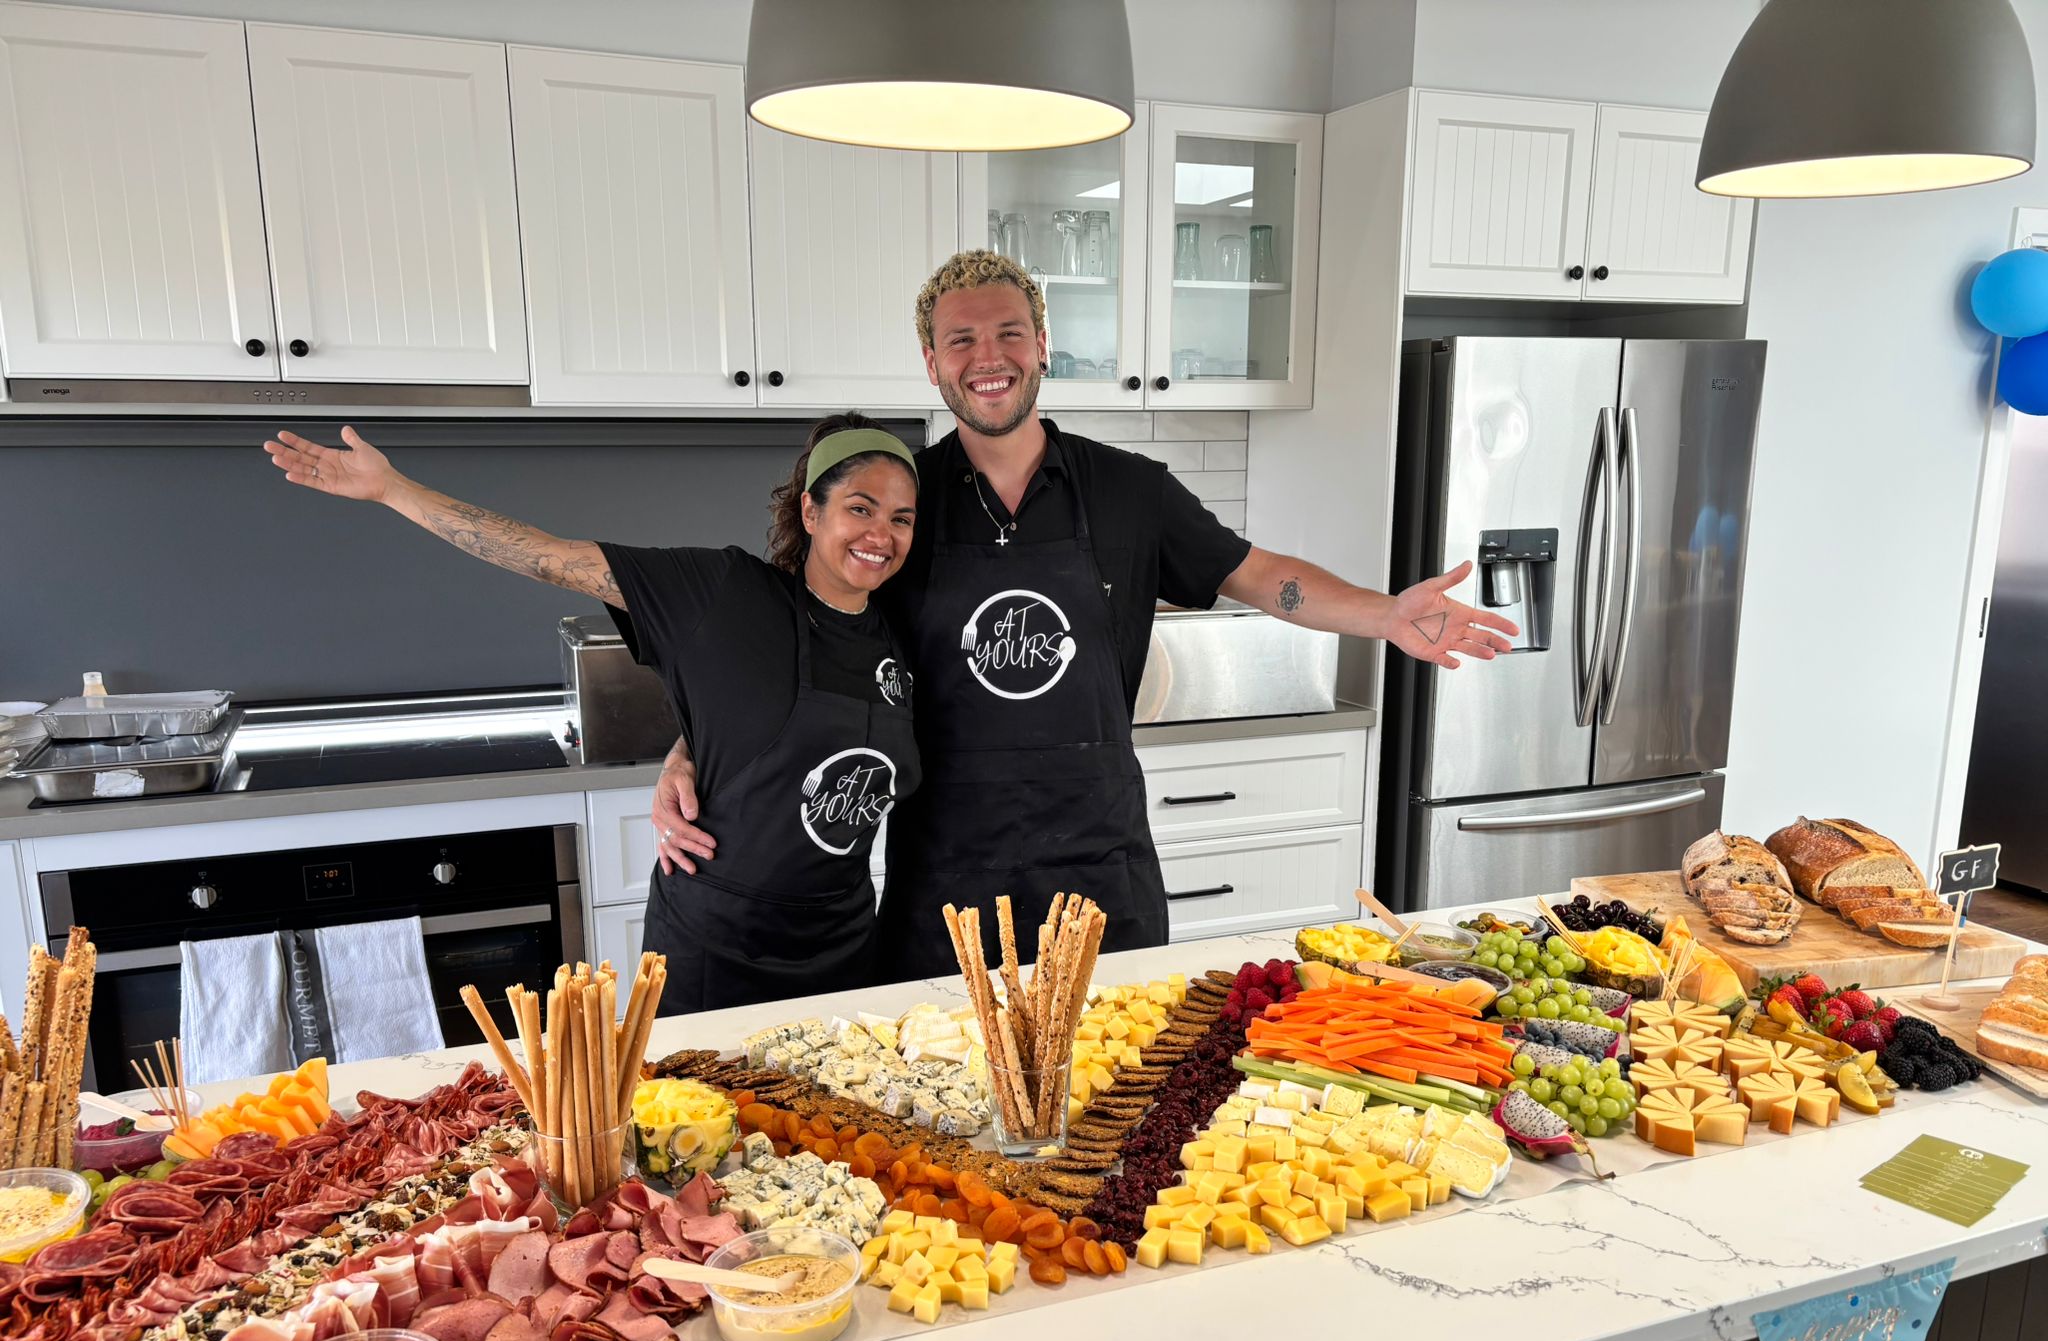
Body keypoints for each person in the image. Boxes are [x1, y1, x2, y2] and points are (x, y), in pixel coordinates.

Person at [652, 250, 1518, 983]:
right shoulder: (901, 503)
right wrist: (690, 749)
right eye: (961, 340)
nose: (987, 358)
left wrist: (1387, 615)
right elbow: (794, 641)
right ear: (932, 363)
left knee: (1119, 1091)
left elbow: (1260, 576)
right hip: (946, 885)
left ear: (1042, 346)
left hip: (1099, 870)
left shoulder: (1130, 491)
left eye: (1008, 333)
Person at [262, 413, 923, 1010]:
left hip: (840, 948)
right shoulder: (724, 595)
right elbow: (546, 557)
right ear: (810, 512)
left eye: (901, 519)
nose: (880, 535)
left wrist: (685, 750)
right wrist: (394, 490)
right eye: (859, 508)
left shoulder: (903, 638)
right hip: (717, 950)